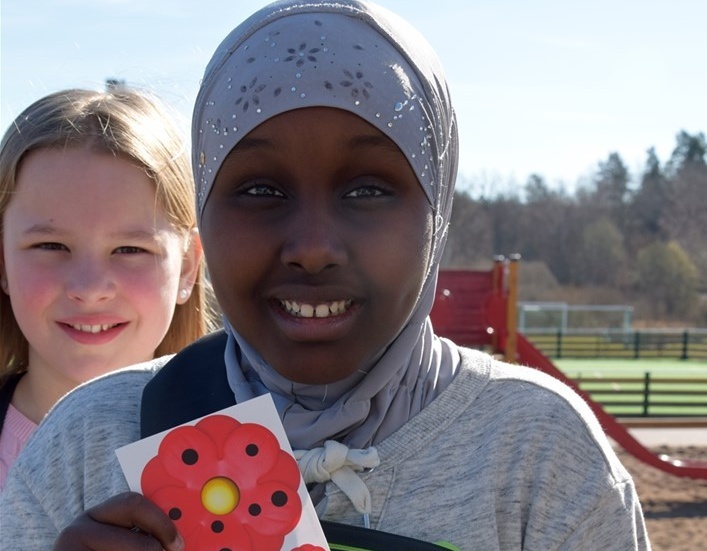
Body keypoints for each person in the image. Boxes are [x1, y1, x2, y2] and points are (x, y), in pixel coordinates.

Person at [0, 1, 651, 549]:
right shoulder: (89, 436)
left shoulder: (535, 450)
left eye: (368, 189)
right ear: (205, 215)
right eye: (258, 189)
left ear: (437, 209)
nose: (312, 248)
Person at [0, 87, 213, 490]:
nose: (90, 288)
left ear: (187, 267)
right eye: (50, 246)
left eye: (130, 249)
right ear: (2, 260)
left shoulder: (253, 447)